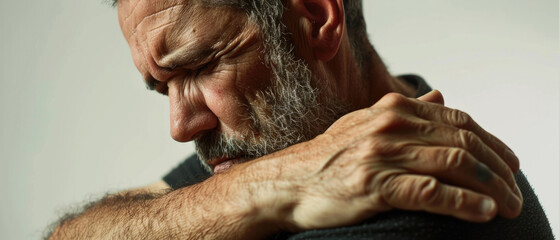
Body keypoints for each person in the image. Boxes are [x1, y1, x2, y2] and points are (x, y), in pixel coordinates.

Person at [47, 0, 554, 239]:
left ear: (315, 17)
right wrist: (274, 184)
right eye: (162, 86)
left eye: (200, 65)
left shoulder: (420, 212)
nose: (180, 126)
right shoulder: (290, 149)